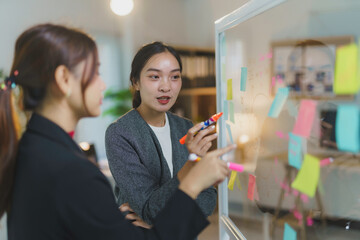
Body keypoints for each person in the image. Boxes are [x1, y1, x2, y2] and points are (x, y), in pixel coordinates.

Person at [0, 23, 235, 239]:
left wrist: (114, 221)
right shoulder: (73, 169)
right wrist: (191, 182)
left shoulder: (32, 148)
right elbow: (149, 218)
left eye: (175, 76)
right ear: (63, 79)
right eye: (95, 72)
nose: (102, 84)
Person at [105, 42, 218, 226]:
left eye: (174, 77)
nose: (166, 87)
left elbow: (208, 198)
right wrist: (192, 163)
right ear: (136, 82)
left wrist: (159, 220)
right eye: (155, 76)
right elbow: (150, 209)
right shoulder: (120, 134)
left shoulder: (186, 128)